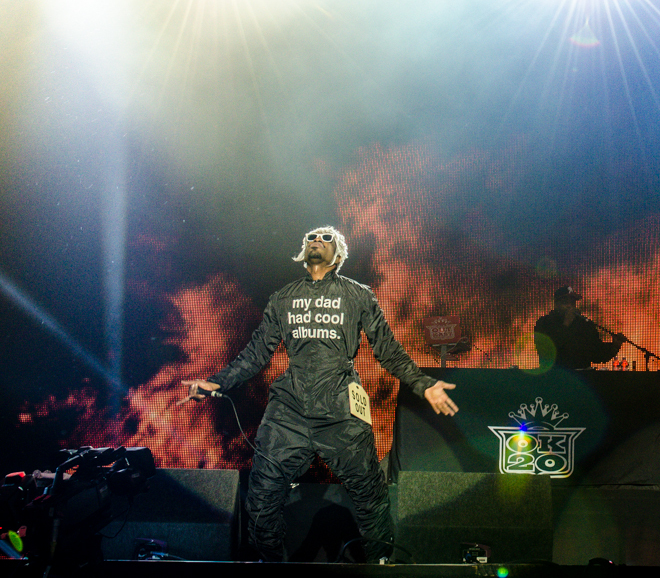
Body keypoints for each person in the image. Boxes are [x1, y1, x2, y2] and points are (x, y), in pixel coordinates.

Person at [183, 226, 458, 563]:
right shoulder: (283, 297)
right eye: (312, 237)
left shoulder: (358, 295)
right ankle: (270, 564)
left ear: (338, 255)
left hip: (340, 411)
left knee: (370, 495)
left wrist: (423, 383)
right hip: (289, 412)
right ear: (304, 251)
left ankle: (383, 566)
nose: (318, 240)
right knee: (262, 496)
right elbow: (256, 352)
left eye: (327, 239)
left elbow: (387, 349)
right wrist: (218, 381)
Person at [533, 286, 625, 370]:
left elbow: (596, 354)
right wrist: (566, 323)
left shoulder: (584, 324)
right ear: (556, 304)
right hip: (555, 378)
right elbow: (546, 353)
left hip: (581, 377)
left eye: (572, 302)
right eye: (565, 302)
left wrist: (614, 346)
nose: (570, 305)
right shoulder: (544, 323)